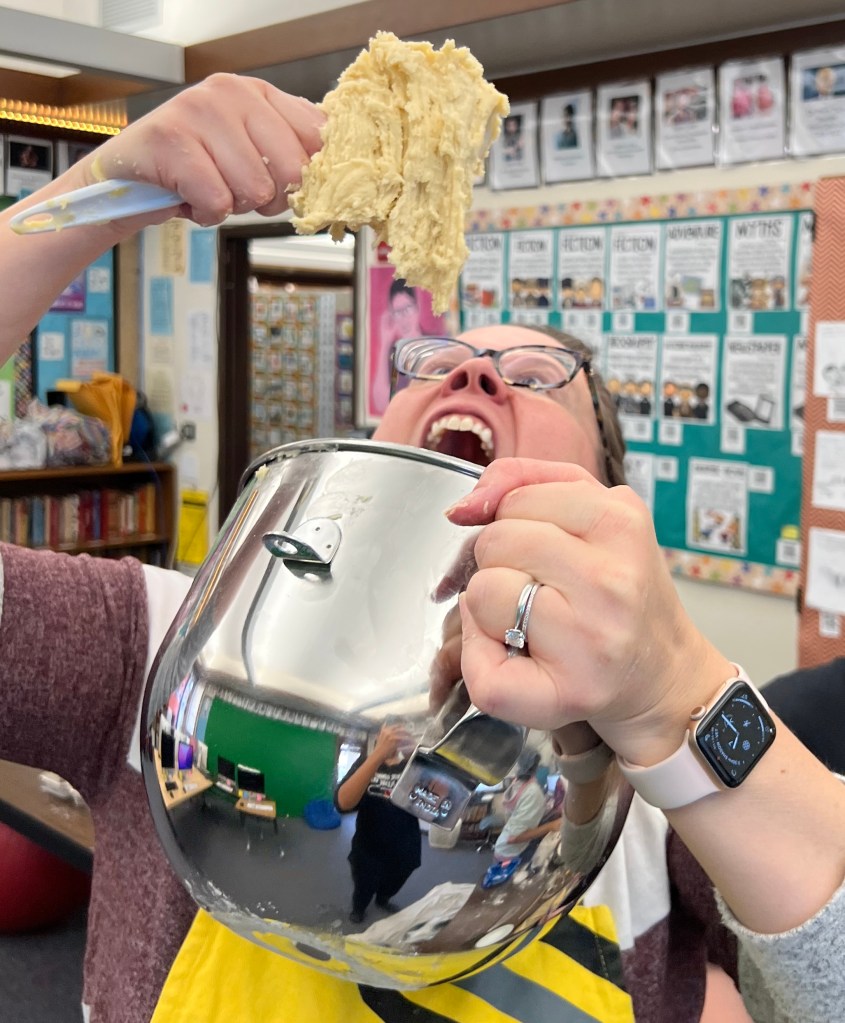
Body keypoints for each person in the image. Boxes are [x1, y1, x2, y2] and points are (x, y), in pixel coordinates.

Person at [0, 73, 842, 1023]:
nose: (475, 371)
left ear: (607, 501)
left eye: (535, 378)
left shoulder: (662, 778)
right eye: (435, 366)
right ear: (374, 440)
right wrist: (91, 199)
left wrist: (677, 694)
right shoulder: (166, 637)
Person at [335, 720, 421, 923]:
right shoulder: (366, 763)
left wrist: (417, 756)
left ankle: (383, 899)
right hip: (368, 846)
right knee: (363, 884)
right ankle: (359, 908)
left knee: (394, 881)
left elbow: (438, 801)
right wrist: (377, 755)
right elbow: (343, 803)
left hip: (405, 847)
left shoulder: (411, 764)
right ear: (379, 737)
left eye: (399, 733)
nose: (394, 739)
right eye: (388, 734)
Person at [492, 749, 548, 861]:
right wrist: (552, 826)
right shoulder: (533, 792)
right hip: (512, 852)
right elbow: (514, 838)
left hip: (502, 846)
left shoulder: (518, 782)